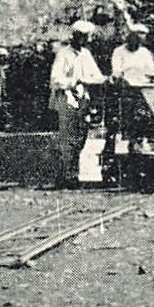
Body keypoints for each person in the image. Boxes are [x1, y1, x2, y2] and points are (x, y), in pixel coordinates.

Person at [48, 20, 106, 188]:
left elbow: (96, 75)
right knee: (68, 139)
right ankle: (66, 176)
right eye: (83, 36)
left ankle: (73, 173)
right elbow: (55, 79)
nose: (86, 40)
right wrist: (74, 81)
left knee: (80, 138)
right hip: (67, 100)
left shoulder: (86, 54)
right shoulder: (64, 54)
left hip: (83, 101)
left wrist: (106, 79)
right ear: (76, 36)